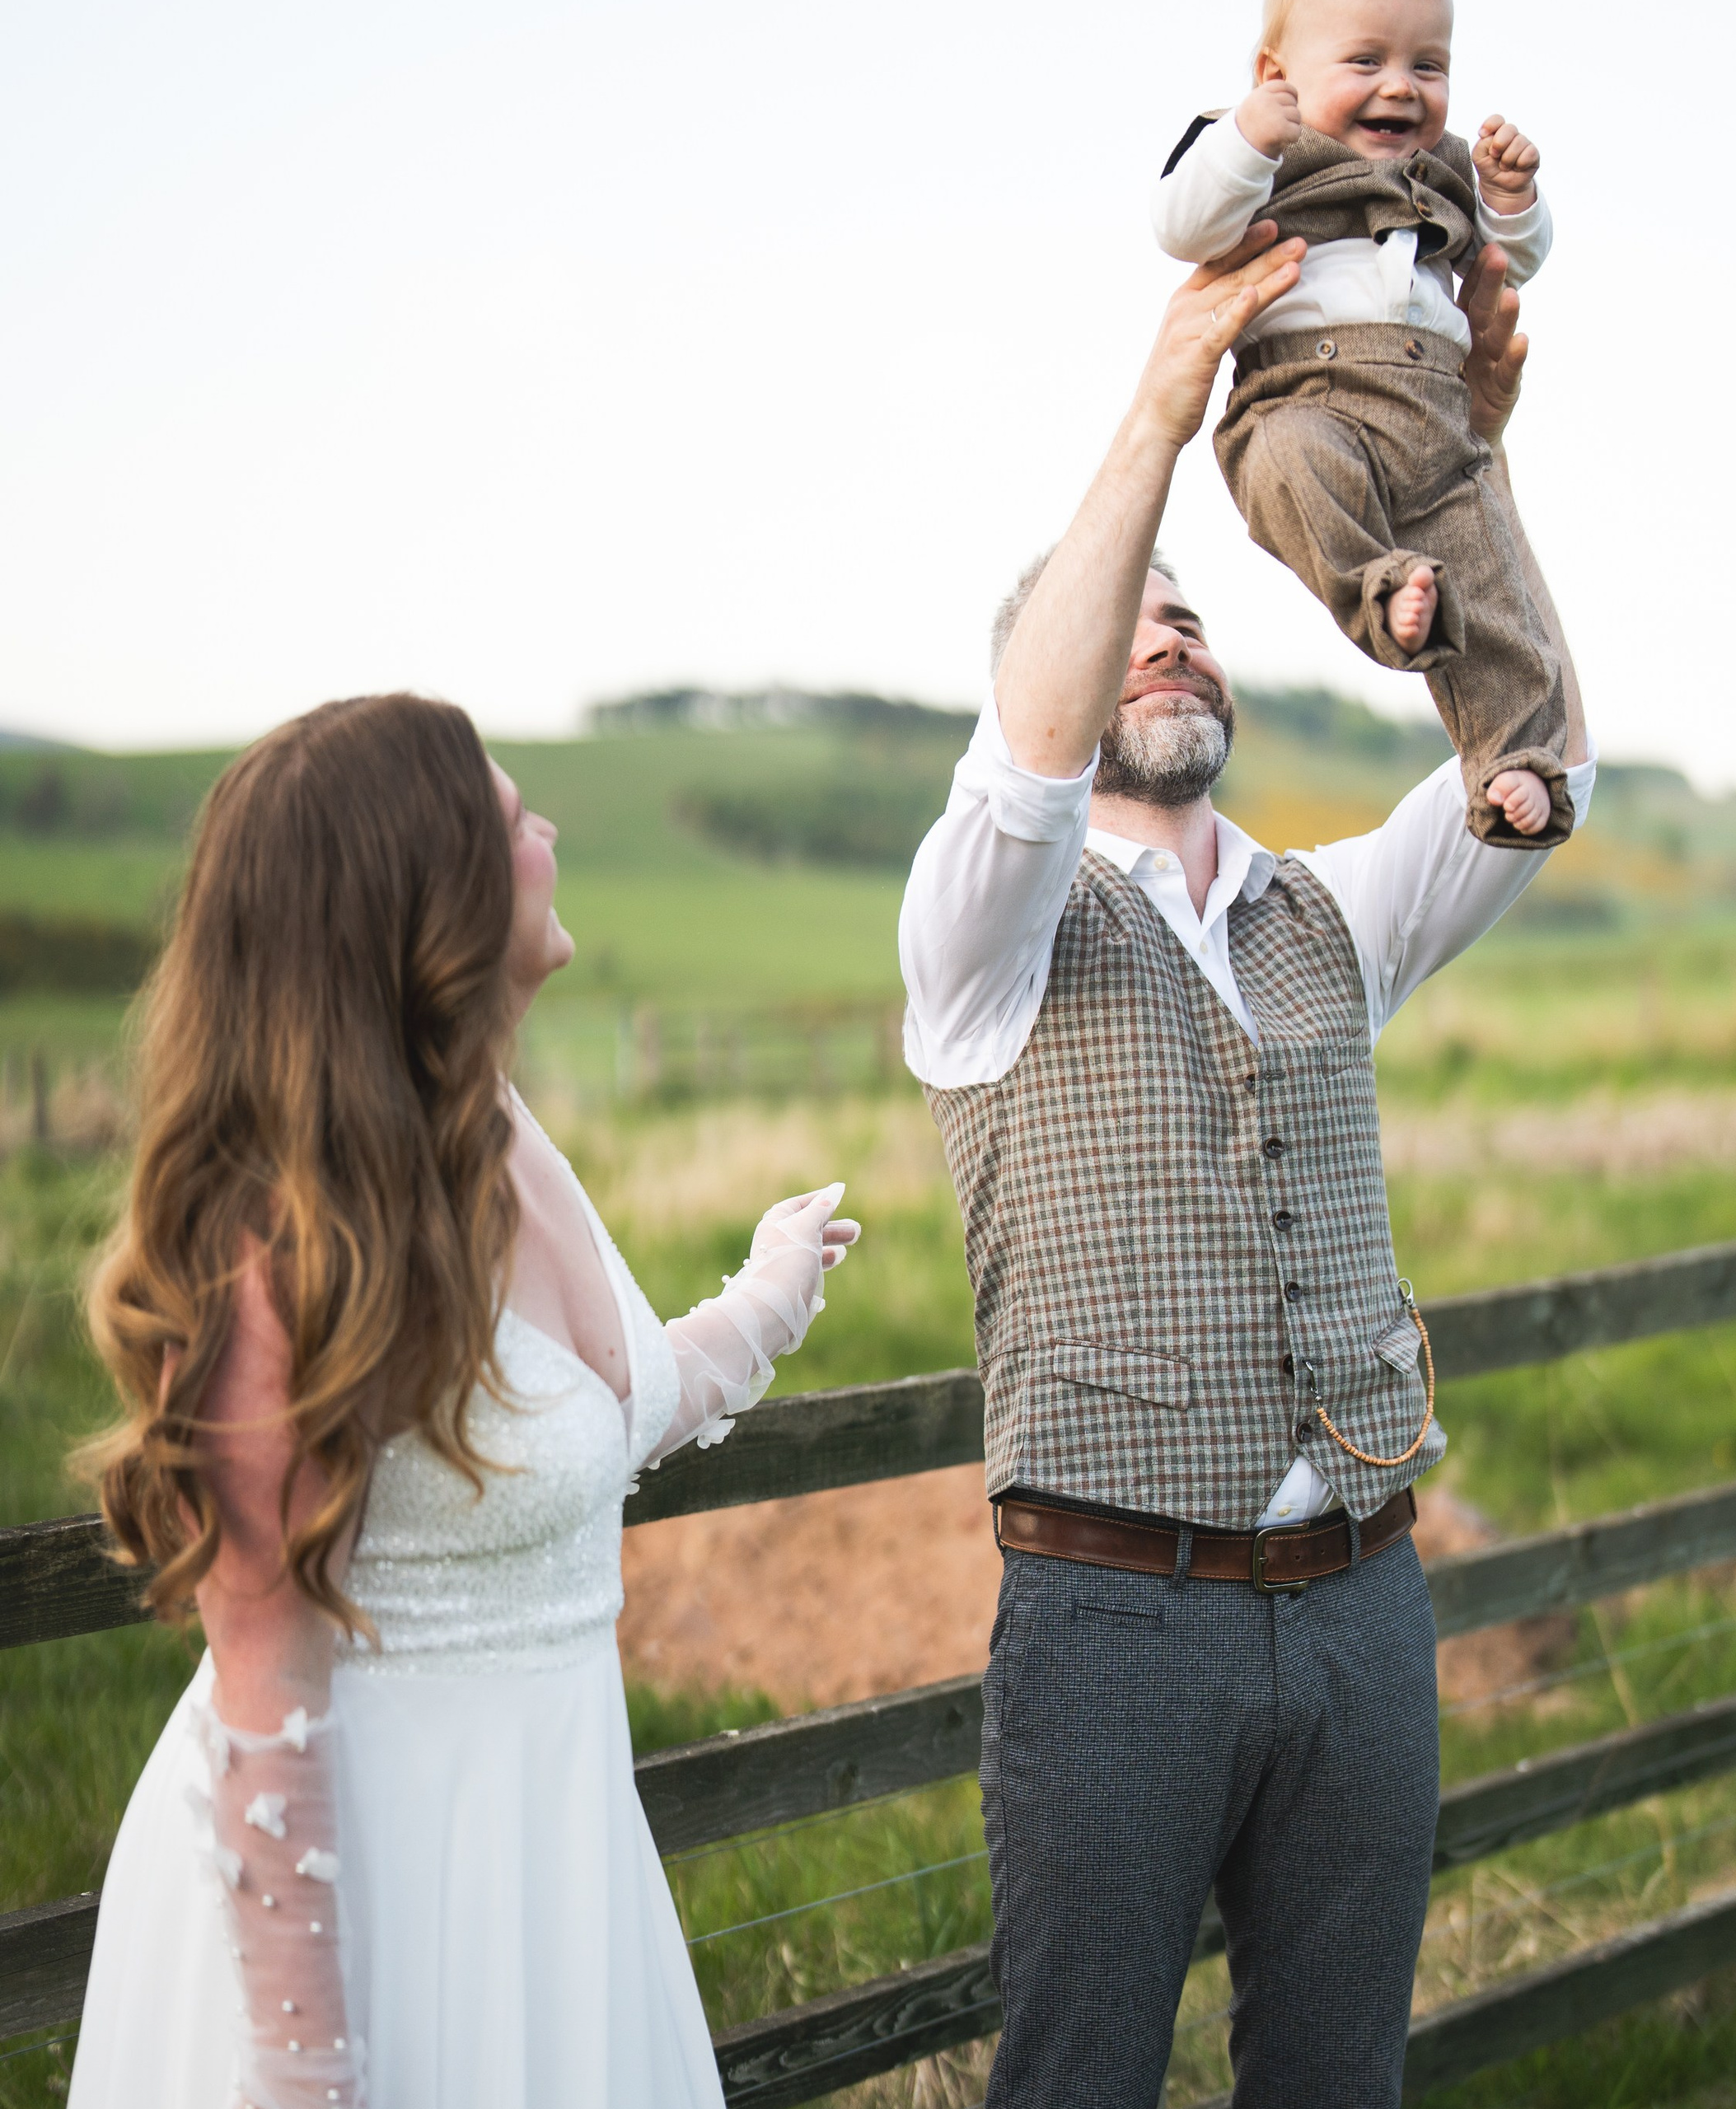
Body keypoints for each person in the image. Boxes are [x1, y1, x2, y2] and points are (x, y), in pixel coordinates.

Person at [896, 217, 1592, 2105]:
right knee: (1079, 2081)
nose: (1168, 624)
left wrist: (1470, 461)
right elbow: (1023, 770)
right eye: (1120, 613)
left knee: (1337, 2081)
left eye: (1187, 605)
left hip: (1366, 1606)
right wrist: (1160, 404)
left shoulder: (1332, 912)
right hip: (1117, 1620)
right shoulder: (983, 937)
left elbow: (1536, 764)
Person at [67, 693, 859, 2109]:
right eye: (509, 818)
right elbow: (266, 1702)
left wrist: (766, 1299)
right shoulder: (288, 1258)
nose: (547, 829)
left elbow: (573, 1431)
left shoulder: (496, 1135)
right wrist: (309, 2077)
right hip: (385, 1903)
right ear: (426, 904)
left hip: (557, 1871)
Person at [1154, 0, 1570, 849]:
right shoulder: (1260, 149)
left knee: (1494, 587)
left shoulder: (1445, 168)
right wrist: (1245, 133)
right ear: (1278, 76)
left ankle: (1513, 758)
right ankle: (1382, 591)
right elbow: (1180, 225)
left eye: (1428, 67)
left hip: (1438, 422)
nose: (1400, 88)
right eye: (1365, 62)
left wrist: (1511, 197)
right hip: (1305, 395)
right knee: (1286, 465)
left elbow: (1510, 258)